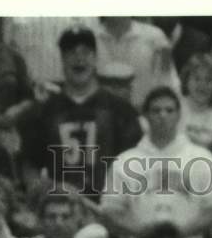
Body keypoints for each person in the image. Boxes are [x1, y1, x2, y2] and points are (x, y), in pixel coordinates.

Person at [99, 86, 212, 238]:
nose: (163, 116)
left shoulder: (202, 159)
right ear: (145, 116)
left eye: (169, 110)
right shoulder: (125, 161)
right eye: (156, 110)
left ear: (179, 115)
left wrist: (180, 233)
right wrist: (141, 233)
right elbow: (111, 212)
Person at [15, 26, 141, 199]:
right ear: (62, 60)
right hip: (61, 211)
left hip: (109, 208)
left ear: (96, 58)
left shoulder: (120, 110)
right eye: (71, 53)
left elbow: (136, 163)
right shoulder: (44, 112)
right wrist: (51, 189)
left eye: (85, 52)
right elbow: (30, 168)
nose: (79, 58)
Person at [95, 17, 179, 110]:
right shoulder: (90, 36)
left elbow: (169, 82)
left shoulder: (156, 37)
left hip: (144, 116)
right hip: (99, 115)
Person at [178, 53, 212, 151]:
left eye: (208, 80)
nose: (202, 85)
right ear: (186, 81)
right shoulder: (175, 104)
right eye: (197, 79)